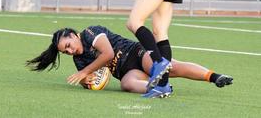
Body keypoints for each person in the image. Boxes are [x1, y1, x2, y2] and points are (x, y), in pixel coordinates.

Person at [26, 26, 233, 98]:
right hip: (126, 71)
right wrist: (86, 81)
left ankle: (214, 77)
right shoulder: (80, 60)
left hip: (136, 53)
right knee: (127, 84)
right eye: (66, 51)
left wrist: (84, 72)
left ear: (73, 34)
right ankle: (162, 88)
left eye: (68, 45)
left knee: (172, 67)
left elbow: (107, 54)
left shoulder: (90, 33)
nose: (70, 51)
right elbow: (91, 80)